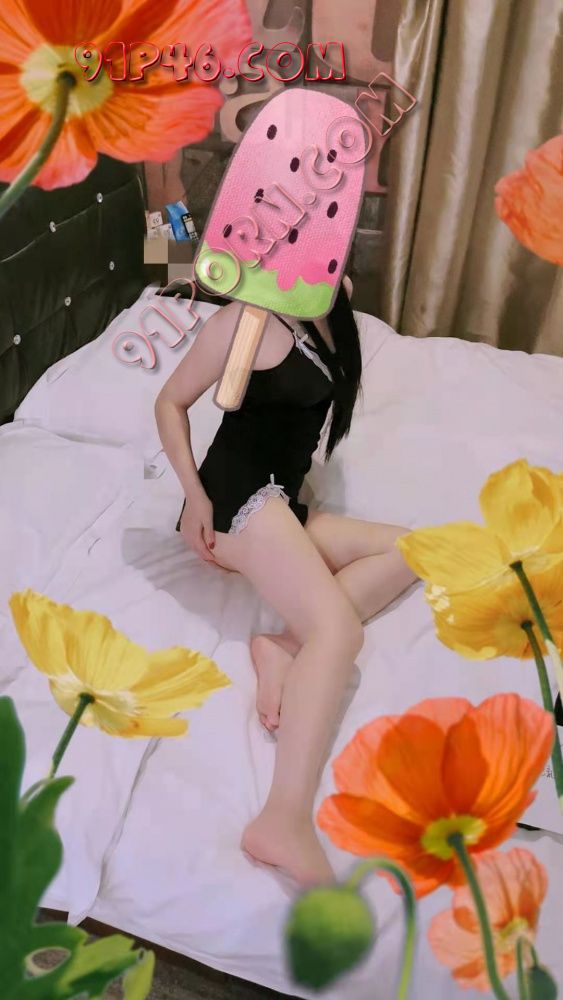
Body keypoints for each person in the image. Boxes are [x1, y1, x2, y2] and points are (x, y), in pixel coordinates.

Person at [154, 276, 417, 886]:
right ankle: (282, 819)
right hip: (236, 500)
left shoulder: (329, 302)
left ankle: (283, 648)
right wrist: (195, 498)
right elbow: (169, 403)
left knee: (413, 550)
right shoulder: (244, 321)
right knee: (340, 633)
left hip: (280, 500)